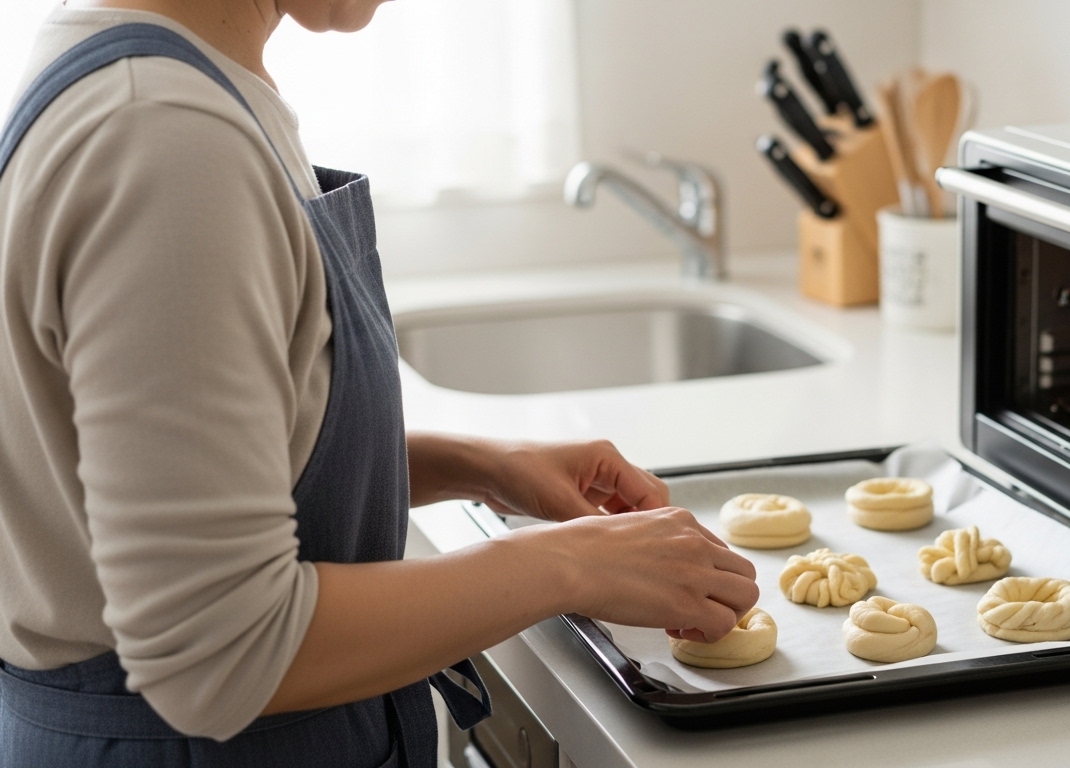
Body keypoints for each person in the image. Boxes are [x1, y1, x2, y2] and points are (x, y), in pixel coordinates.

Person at [0, 1, 760, 765]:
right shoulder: (165, 137)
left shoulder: (142, 78)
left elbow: (178, 471)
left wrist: (475, 465)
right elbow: (220, 649)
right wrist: (573, 565)